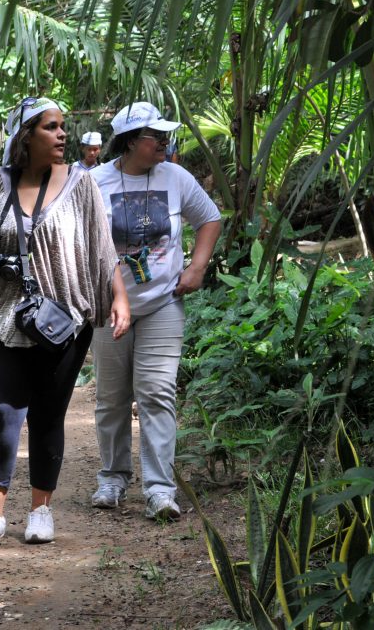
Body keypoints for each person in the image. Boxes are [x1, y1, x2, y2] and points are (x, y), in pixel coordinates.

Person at [0, 96, 130, 552]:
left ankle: (40, 510)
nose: (62, 134)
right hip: (0, 317)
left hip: (63, 319)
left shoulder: (82, 184)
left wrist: (119, 298)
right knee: (3, 413)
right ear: (25, 136)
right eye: (51, 127)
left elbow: (102, 247)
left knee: (49, 415)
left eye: (63, 126)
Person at [88, 101, 221, 521]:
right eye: (155, 137)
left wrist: (197, 267)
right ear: (129, 142)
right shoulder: (93, 182)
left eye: (165, 136)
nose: (164, 143)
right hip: (108, 307)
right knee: (111, 398)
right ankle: (112, 477)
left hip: (164, 302)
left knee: (157, 393)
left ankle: (160, 489)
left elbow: (210, 219)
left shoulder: (176, 177)